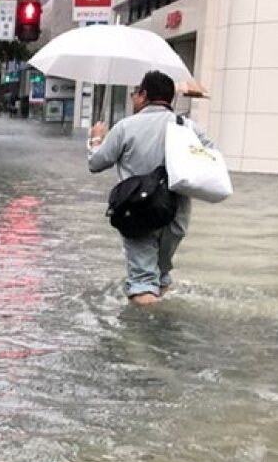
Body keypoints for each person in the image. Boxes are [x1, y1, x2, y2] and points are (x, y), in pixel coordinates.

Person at [87, 69, 214, 307]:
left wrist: (96, 139)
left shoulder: (125, 127)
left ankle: (147, 337)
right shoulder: (188, 127)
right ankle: (166, 327)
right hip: (177, 213)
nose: (133, 97)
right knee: (161, 275)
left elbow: (96, 163)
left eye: (135, 92)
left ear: (144, 95)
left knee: (143, 281)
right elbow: (210, 159)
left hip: (138, 211)